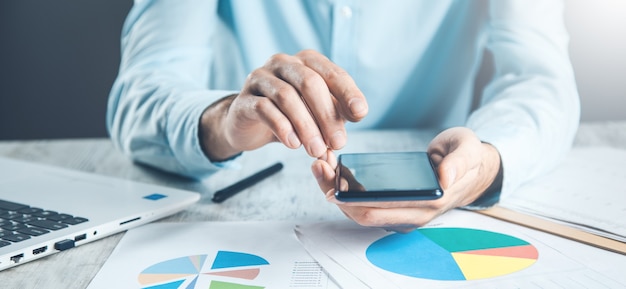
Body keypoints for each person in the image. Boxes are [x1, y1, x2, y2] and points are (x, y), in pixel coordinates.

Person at [107, 0, 580, 232]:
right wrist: (225, 120)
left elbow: (541, 80)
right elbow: (141, 90)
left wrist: (486, 164)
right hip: (240, 195)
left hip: (444, 196)